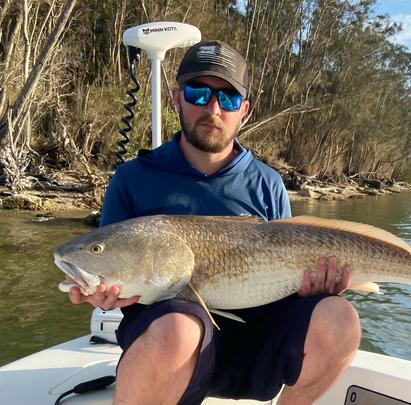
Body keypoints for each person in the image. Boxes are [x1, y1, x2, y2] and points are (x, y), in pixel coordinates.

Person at [68, 40, 361, 405]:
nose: (213, 108)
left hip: (257, 341)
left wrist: (316, 286)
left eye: (229, 98)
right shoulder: (132, 178)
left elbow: (290, 276)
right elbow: (114, 271)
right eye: (198, 92)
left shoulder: (268, 183)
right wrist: (105, 296)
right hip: (168, 342)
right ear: (177, 99)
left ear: (245, 110)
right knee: (176, 329)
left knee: (340, 319)